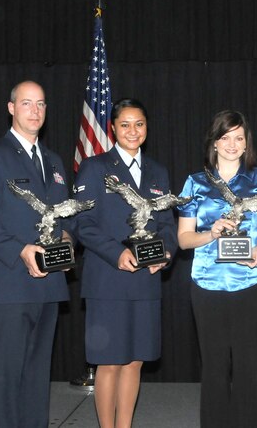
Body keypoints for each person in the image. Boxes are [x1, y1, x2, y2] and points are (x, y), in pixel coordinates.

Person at [0, 81, 71, 428]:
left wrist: (69, 238)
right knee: (8, 380)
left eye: (41, 104)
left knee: (38, 379)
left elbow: (67, 216)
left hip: (49, 284)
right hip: (8, 286)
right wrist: (21, 249)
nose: (35, 111)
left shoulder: (54, 162)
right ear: (11, 108)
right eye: (26, 103)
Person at [72, 98, 177, 428]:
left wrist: (167, 254)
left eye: (140, 124)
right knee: (110, 362)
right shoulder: (95, 167)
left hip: (146, 280)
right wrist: (116, 253)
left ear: (147, 128)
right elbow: (82, 223)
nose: (133, 131)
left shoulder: (158, 171)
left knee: (134, 362)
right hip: (107, 280)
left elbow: (168, 225)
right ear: (113, 128)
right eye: (126, 124)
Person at [177, 110, 257, 428]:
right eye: (226, 137)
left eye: (239, 137)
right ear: (214, 142)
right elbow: (183, 240)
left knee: (248, 367)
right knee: (214, 367)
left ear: (247, 142)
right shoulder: (194, 182)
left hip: (250, 282)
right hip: (207, 285)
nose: (233, 144)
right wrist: (211, 233)